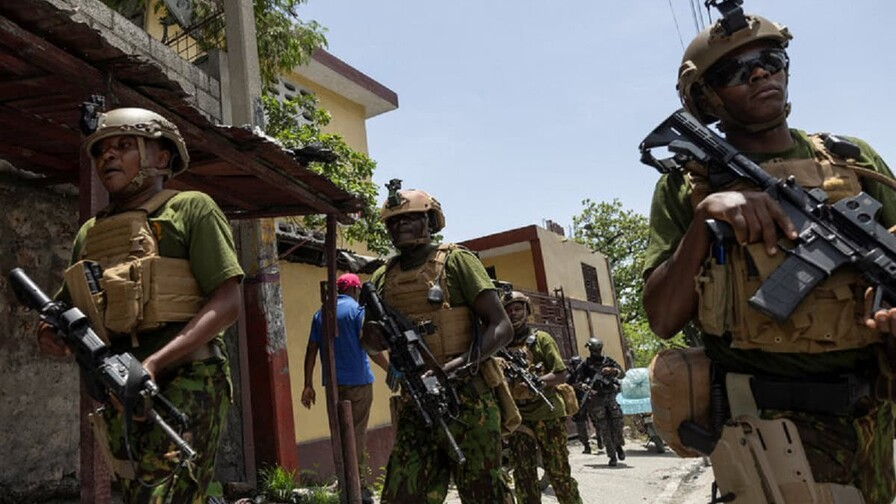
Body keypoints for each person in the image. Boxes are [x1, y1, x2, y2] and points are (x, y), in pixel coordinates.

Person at [642, 9, 896, 504]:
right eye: (734, 72)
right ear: (707, 98)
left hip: (870, 419)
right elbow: (662, 316)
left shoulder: (852, 159)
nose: (759, 73)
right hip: (765, 430)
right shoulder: (686, 186)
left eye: (769, 60)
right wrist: (705, 219)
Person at [36, 108, 243, 502]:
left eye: (124, 146)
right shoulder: (90, 232)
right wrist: (50, 333)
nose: (107, 157)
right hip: (120, 389)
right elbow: (67, 308)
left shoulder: (192, 209)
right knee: (136, 493)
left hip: (187, 380)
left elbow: (228, 301)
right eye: (101, 151)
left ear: (161, 158)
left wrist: (155, 363)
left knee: (167, 496)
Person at [360, 181, 515, 504]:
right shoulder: (382, 278)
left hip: (470, 400)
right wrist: (372, 338)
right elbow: (370, 344)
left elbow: (501, 327)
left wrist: (455, 369)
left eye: (409, 218)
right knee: (402, 495)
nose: (400, 225)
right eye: (393, 221)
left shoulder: (457, 261)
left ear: (430, 222)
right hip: (417, 403)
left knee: (485, 494)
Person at [301, 272, 388, 504]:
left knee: (339, 434)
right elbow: (370, 347)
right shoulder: (358, 312)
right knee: (356, 433)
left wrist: (307, 384)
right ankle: (358, 485)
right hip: (359, 382)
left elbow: (311, 350)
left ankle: (344, 481)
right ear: (355, 289)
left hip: (333, 386)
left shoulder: (321, 314)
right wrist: (390, 369)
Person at [502, 291, 581, 504]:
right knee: (523, 478)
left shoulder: (540, 339)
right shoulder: (501, 347)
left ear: (527, 311)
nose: (513, 314)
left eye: (518, 308)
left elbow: (561, 373)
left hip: (548, 415)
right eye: (508, 310)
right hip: (519, 421)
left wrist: (538, 382)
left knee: (558, 473)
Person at [571, 338, 624, 466]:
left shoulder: (608, 361)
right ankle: (612, 456)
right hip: (596, 400)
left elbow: (621, 374)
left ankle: (618, 446)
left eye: (596, 350)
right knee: (604, 428)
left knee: (617, 424)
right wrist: (586, 387)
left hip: (610, 396)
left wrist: (612, 371)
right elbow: (577, 381)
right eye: (594, 350)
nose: (595, 352)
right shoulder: (585, 365)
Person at [566, 355, 602, 454]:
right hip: (578, 402)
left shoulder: (587, 373)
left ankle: (600, 441)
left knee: (597, 420)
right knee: (580, 423)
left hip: (590, 400)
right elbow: (567, 386)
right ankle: (586, 445)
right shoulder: (570, 376)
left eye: (578, 364)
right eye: (575, 364)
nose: (577, 366)